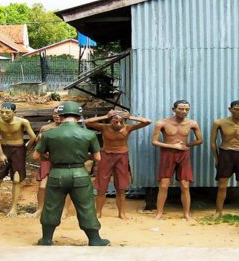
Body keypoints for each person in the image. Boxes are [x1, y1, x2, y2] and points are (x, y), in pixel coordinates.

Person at [33, 101, 109, 246]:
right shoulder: (89, 134)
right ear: (79, 116)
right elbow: (98, 157)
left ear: (61, 116)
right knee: (86, 206)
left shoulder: (49, 134)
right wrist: (81, 157)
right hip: (80, 173)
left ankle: (46, 239)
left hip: (57, 173)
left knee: (51, 206)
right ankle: (94, 239)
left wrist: (51, 158)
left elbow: (37, 156)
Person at [85, 109, 151, 219]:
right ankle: (98, 212)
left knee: (121, 187)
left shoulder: (128, 127)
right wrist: (105, 116)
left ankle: (122, 213)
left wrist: (131, 117)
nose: (118, 124)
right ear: (110, 121)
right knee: (102, 186)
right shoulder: (104, 127)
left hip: (122, 156)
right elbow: (88, 122)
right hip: (106, 155)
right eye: (115, 121)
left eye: (121, 121)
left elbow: (147, 122)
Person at [151, 100, 203, 221]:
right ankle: (159, 213)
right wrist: (173, 146)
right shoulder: (162, 123)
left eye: (186, 109)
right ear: (174, 109)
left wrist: (187, 145)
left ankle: (187, 214)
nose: (184, 111)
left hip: (183, 155)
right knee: (164, 185)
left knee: (185, 185)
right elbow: (154, 141)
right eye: (181, 109)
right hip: (167, 155)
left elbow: (200, 140)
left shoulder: (192, 123)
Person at [0, 102, 36, 216]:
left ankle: (14, 208)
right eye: (2, 112)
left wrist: (25, 149)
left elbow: (33, 137)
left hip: (18, 149)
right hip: (4, 149)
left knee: (16, 179)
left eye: (8, 112)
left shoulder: (23, 122)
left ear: (14, 113)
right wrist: (0, 153)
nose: (4, 115)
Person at [32, 107, 62, 218]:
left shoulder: (68, 128)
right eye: (55, 113)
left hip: (62, 158)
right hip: (47, 158)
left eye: (60, 113)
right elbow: (39, 144)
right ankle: (40, 209)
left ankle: (64, 210)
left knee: (64, 185)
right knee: (43, 186)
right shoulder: (45, 128)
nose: (57, 115)